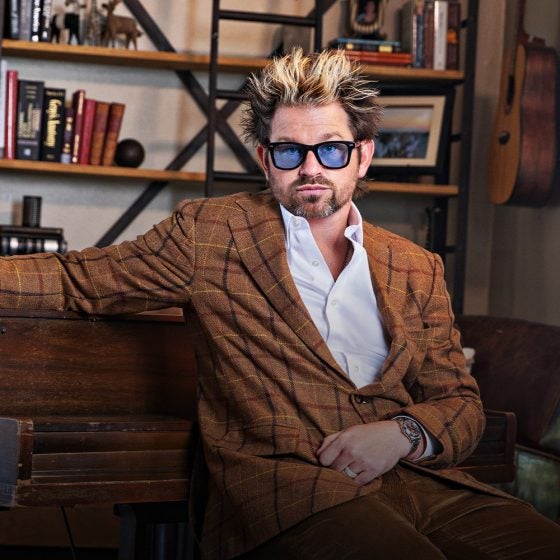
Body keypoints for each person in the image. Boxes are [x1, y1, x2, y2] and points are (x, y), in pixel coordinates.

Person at [1, 49, 559, 560]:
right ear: (266, 160)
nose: (311, 168)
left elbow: (460, 403)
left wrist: (402, 434)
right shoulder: (210, 233)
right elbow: (77, 279)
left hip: (424, 483)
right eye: (291, 151)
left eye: (331, 149)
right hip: (290, 492)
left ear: (363, 156)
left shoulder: (417, 265)